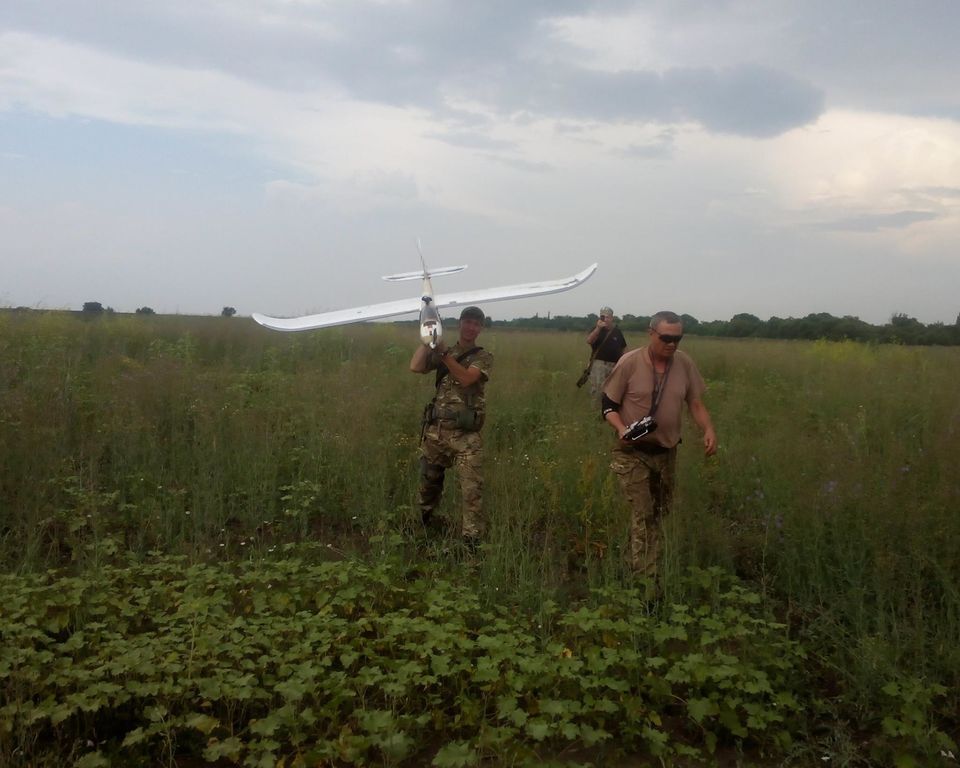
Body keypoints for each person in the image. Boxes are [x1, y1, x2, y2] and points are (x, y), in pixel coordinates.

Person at [601, 310, 717, 577]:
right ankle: (646, 580)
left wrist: (708, 429)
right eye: (666, 338)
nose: (672, 344)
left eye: (678, 339)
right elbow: (607, 405)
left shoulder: (684, 363)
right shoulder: (630, 362)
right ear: (651, 333)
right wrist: (621, 429)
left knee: (661, 512)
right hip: (632, 452)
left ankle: (639, 558)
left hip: (666, 451)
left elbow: (695, 403)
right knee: (643, 514)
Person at [410, 306, 493, 544]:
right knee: (429, 484)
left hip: (466, 436)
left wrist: (444, 353)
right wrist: (428, 340)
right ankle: (424, 527)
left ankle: (471, 542)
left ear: (480, 328)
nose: (470, 327)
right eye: (467, 322)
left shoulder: (482, 357)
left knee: (471, 491)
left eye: (476, 324)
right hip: (437, 431)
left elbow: (467, 379)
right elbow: (415, 367)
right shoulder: (445, 350)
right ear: (460, 323)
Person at [584, 307, 627, 406]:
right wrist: (598, 328)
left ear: (612, 318)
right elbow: (589, 341)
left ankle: (608, 409)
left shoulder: (617, 331)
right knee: (597, 389)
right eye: (603, 317)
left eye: (608, 317)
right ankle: (595, 410)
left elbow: (624, 348)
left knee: (612, 390)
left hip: (615, 365)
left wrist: (626, 362)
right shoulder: (596, 330)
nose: (605, 319)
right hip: (599, 364)